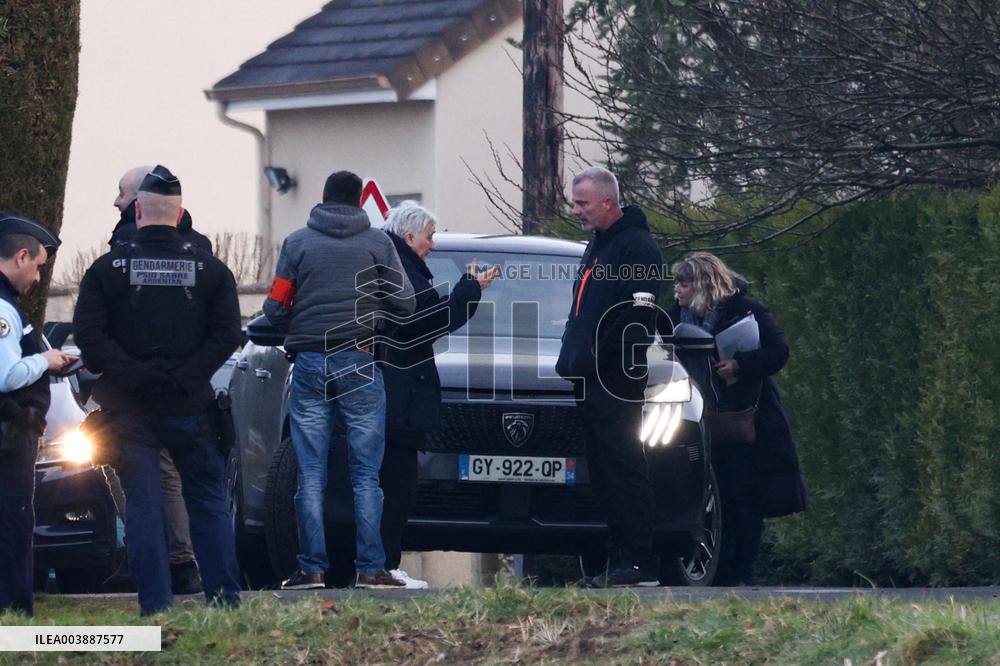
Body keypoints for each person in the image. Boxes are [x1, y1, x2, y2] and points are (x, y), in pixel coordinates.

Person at [73, 165, 243, 615]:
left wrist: (134, 376)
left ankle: (155, 608)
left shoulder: (108, 269)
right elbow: (228, 335)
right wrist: (185, 378)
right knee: (207, 503)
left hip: (129, 411)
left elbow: (89, 335)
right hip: (191, 407)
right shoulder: (211, 269)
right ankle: (225, 602)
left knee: (145, 506)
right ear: (180, 213)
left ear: (139, 213)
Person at [263, 170, 415, 590]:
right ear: (357, 203)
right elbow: (405, 304)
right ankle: (371, 568)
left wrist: (300, 315)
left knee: (310, 473)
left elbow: (275, 307)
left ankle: (311, 568)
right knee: (366, 474)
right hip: (361, 360)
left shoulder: (297, 243)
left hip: (310, 363)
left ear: (323, 198)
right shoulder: (378, 244)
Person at [668, 252, 807, 585]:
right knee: (711, 496)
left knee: (744, 498)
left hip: (745, 418)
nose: (677, 290)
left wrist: (740, 365)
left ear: (703, 284)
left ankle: (739, 572)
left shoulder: (748, 310)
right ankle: (715, 570)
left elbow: (778, 351)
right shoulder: (675, 316)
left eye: (684, 283)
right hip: (695, 417)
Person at [555, 166, 663, 586]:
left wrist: (599, 359)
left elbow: (637, 317)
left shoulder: (635, 248)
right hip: (591, 379)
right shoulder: (597, 248)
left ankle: (639, 560)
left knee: (624, 468)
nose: (576, 210)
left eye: (582, 203)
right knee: (603, 473)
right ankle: (620, 559)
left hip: (615, 381)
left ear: (607, 201)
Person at [380, 202, 498, 588]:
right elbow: (431, 321)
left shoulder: (394, 265)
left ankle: (378, 562)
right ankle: (382, 563)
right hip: (399, 398)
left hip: (394, 393)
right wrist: (469, 288)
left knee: (389, 481)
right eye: (429, 237)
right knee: (396, 483)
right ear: (409, 236)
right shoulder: (400, 272)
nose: (433, 245)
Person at [110, 165, 206, 595]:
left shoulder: (130, 245)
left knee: (158, 473)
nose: (115, 202)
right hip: (171, 378)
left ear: (141, 201)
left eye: (121, 194)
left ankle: (173, 563)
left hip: (146, 382)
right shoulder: (197, 246)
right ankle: (166, 560)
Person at [0, 214, 74, 616]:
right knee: (12, 519)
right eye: (38, 266)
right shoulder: (2, 308)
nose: (36, 277)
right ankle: (13, 611)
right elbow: (6, 375)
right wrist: (45, 359)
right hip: (9, 433)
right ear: (21, 256)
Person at [111, 165, 212, 253]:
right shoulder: (203, 244)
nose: (116, 202)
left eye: (122, 194)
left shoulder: (125, 236)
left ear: (141, 197)